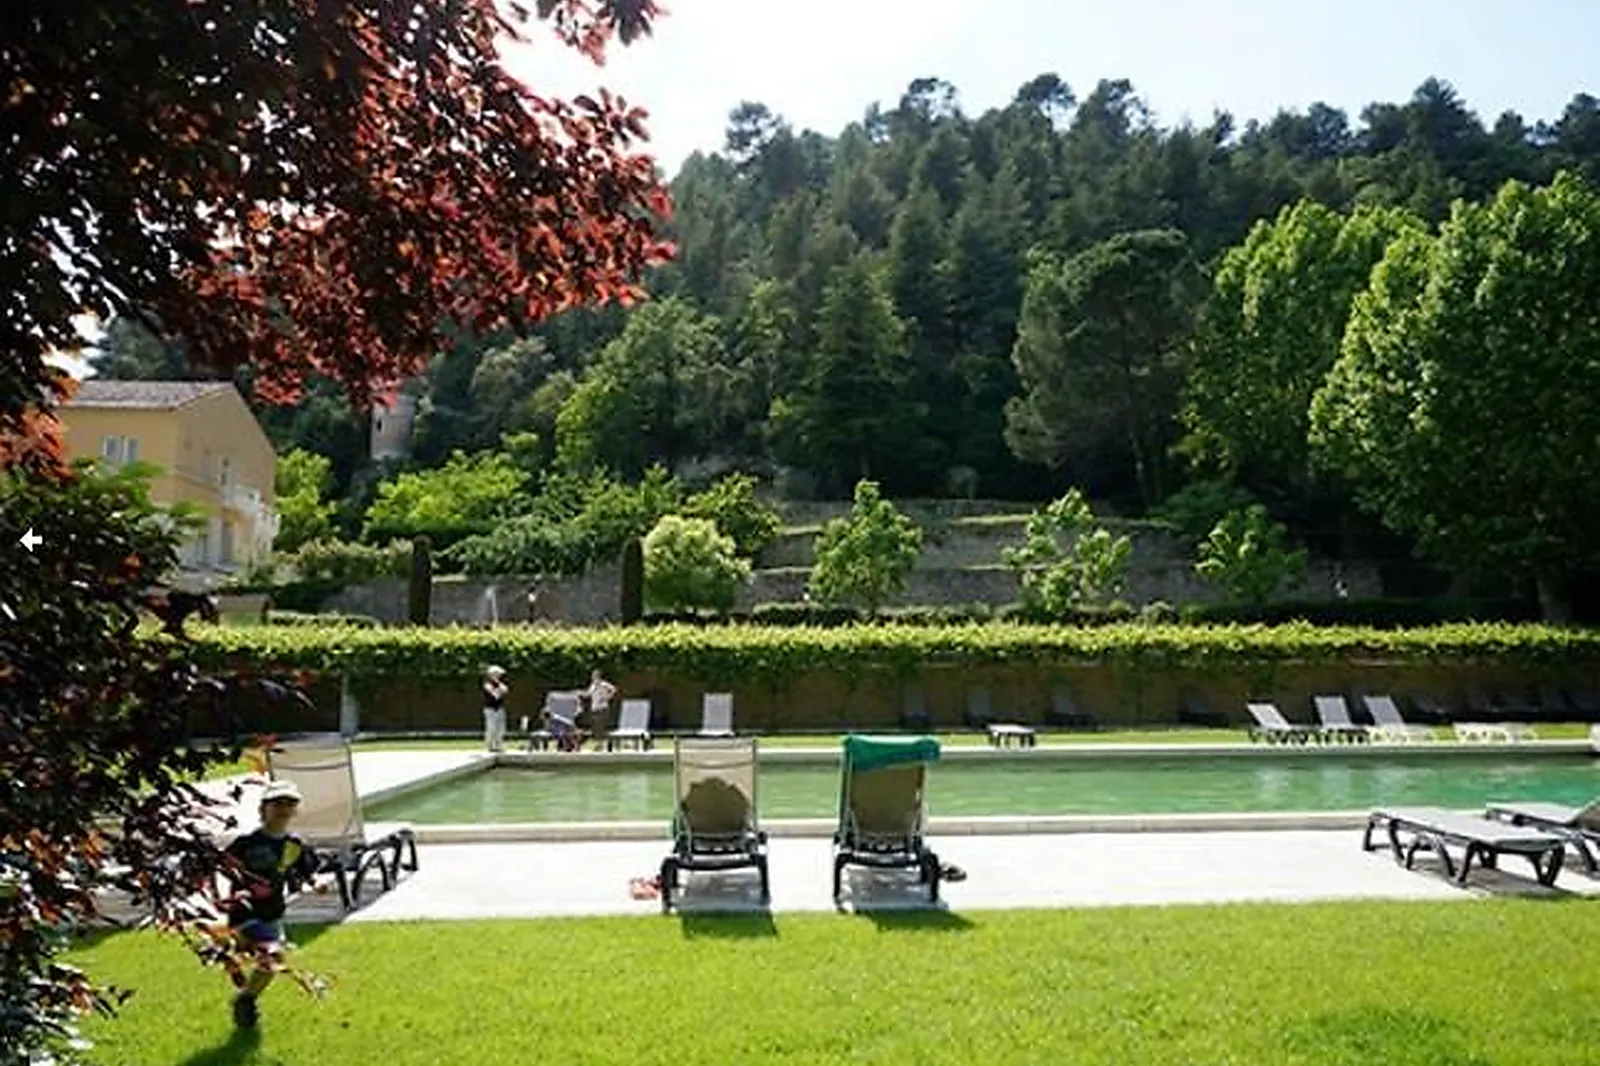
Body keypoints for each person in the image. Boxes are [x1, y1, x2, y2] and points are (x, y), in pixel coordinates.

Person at [220, 779, 324, 1029]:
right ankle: (246, 999)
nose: (283, 808)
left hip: (273, 912)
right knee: (272, 956)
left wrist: (314, 883)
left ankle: (246, 999)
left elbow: (306, 870)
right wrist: (243, 885)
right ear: (263, 808)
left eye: (290, 803)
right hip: (245, 912)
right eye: (277, 803)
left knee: (270, 963)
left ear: (295, 810)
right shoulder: (247, 842)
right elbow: (224, 865)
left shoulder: (295, 845)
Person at [582, 668, 618, 748]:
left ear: (598, 676)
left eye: (594, 675)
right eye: (592, 675)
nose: (593, 677)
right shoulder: (593, 685)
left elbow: (614, 689)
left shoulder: (604, 684)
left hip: (602, 709)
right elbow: (588, 694)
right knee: (595, 728)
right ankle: (599, 744)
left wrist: (608, 697)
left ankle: (604, 744)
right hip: (594, 709)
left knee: (601, 727)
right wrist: (579, 693)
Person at [482, 665, 509, 753]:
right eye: (497, 674)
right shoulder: (487, 683)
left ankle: (498, 745)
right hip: (490, 709)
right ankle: (490, 746)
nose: (499, 676)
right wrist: (499, 690)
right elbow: (495, 695)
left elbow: (505, 690)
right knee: (491, 728)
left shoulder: (500, 683)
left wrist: (499, 690)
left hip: (500, 708)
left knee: (501, 728)